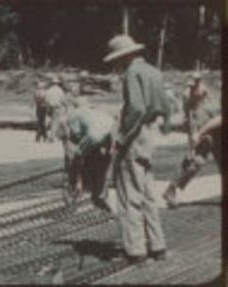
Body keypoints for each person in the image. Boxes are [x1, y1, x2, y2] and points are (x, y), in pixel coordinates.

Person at [103, 34, 169, 263]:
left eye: (116, 61)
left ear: (124, 56)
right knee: (148, 192)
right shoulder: (154, 71)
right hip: (151, 135)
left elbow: (137, 109)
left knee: (130, 194)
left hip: (135, 136)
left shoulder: (132, 73)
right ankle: (158, 245)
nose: (116, 65)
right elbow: (164, 106)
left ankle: (135, 250)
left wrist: (121, 138)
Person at [163, 72, 220, 207]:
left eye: (194, 85)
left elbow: (218, 117)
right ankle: (172, 189)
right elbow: (188, 118)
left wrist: (199, 132)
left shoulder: (210, 94)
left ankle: (172, 189)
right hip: (206, 132)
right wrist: (192, 138)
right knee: (196, 161)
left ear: (200, 83)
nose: (192, 89)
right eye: (190, 85)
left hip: (215, 129)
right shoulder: (188, 95)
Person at [56, 97, 115, 208]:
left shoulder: (74, 114)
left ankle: (77, 186)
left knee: (76, 159)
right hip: (111, 133)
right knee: (103, 166)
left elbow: (73, 137)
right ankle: (99, 194)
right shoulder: (97, 112)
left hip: (94, 135)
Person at [44, 75, 68, 142]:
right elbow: (63, 99)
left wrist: (47, 106)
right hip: (57, 107)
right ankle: (52, 136)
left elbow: (46, 99)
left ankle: (49, 134)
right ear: (58, 83)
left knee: (51, 121)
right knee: (55, 122)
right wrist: (66, 106)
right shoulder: (59, 90)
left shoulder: (48, 90)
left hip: (49, 107)